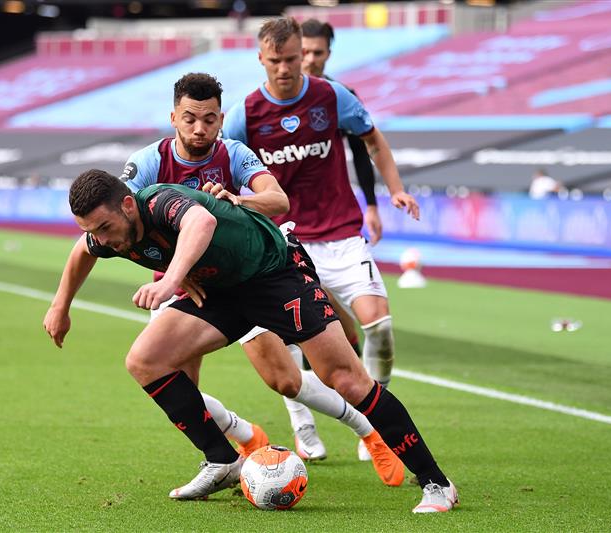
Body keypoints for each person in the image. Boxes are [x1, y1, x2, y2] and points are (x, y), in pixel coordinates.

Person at [44, 170, 458, 512]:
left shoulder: (159, 201)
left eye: (105, 227)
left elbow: (201, 222)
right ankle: (222, 460)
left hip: (276, 274)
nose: (103, 238)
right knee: (145, 360)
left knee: (345, 379)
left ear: (128, 205)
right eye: (92, 229)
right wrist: (60, 306)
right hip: (221, 293)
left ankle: (436, 483)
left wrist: (171, 279)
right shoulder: (106, 234)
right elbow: (83, 251)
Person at [119, 72, 404, 489]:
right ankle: (243, 437)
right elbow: (123, 227)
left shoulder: (233, 154)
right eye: (189, 119)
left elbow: (278, 201)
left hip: (241, 279)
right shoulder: (147, 163)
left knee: (284, 379)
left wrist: (239, 199)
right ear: (174, 117)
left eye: (209, 119)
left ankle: (368, 431)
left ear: (221, 119)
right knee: (175, 386)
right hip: (180, 285)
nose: (199, 129)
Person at [221, 16, 419, 467]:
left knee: (378, 327)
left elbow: (373, 141)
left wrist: (394, 190)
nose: (287, 68)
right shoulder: (244, 114)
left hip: (342, 234)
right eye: (277, 61)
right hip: (286, 241)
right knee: (289, 337)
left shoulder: (331, 96)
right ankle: (302, 425)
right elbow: (226, 169)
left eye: (293, 59)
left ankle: (376, 418)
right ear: (261, 59)